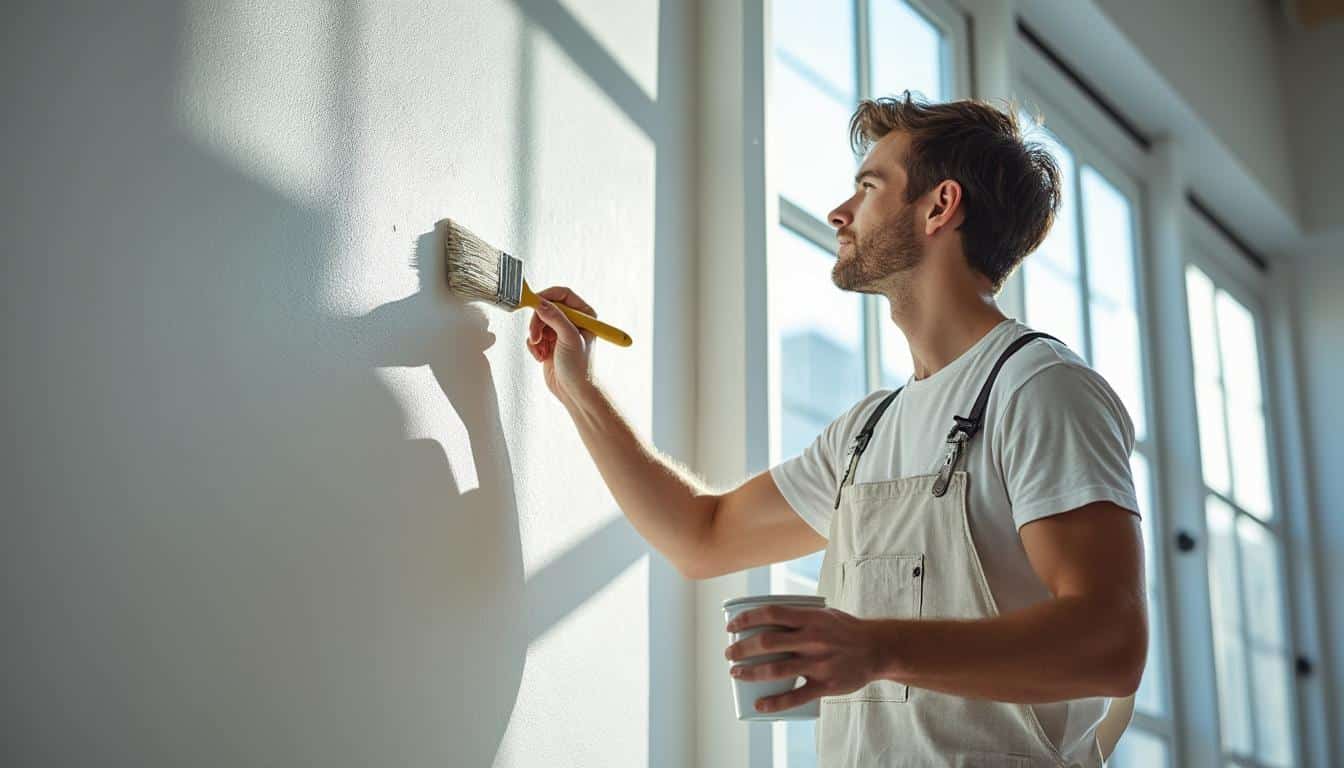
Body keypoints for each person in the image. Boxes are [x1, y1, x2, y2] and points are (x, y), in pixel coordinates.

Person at [524, 91, 1146, 767]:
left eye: (869, 187)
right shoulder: (865, 433)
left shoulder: (1040, 388)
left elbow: (1110, 643)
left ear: (940, 206)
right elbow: (699, 536)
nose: (838, 213)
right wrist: (579, 391)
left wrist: (879, 648)